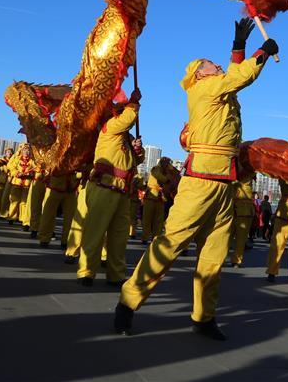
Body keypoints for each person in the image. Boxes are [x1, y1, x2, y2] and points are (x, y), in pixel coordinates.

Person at [115, 18, 277, 340]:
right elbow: (238, 78)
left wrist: (238, 46)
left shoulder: (220, 94)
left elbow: (232, 77)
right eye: (209, 63)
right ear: (198, 75)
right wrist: (261, 52)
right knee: (169, 245)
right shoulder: (203, 90)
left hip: (225, 185)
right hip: (200, 182)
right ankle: (127, 303)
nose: (216, 64)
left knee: (214, 258)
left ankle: (204, 317)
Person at [77, 89, 142, 286]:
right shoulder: (111, 127)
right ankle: (86, 271)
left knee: (119, 235)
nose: (122, 113)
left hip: (122, 191)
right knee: (95, 230)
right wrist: (134, 102)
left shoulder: (124, 137)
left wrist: (138, 151)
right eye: (121, 110)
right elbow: (128, 119)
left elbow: (134, 161)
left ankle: (116, 274)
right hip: (104, 186)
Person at [38, 169, 81, 249]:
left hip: (71, 188)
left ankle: (67, 240)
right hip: (56, 186)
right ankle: (44, 238)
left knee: (70, 216)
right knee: (48, 214)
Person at [142, 157, 173, 243]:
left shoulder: (166, 171)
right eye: (167, 163)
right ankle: (145, 238)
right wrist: (167, 180)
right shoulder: (156, 169)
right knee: (147, 218)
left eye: (168, 163)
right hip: (151, 197)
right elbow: (159, 176)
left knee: (158, 220)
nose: (168, 165)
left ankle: (155, 238)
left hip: (161, 198)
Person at [229, 170, 256, 267]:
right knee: (226, 236)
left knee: (241, 239)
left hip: (244, 211)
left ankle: (236, 260)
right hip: (233, 210)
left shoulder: (248, 173)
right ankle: (220, 258)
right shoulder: (234, 178)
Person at [0, 148, 14, 216]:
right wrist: (2, 164)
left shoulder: (14, 161)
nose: (9, 153)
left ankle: (3, 211)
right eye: (8, 152)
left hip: (9, 181)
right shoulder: (2, 160)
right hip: (1, 180)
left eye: (11, 152)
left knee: (6, 197)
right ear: (5, 153)